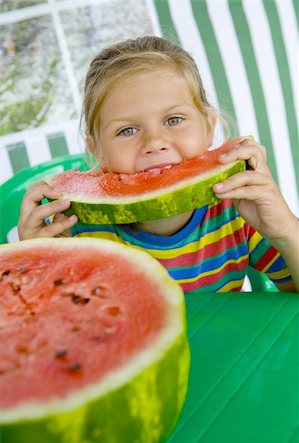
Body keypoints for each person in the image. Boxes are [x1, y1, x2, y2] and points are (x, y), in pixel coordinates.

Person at [18, 36, 299, 293]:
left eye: (173, 120)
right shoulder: (77, 230)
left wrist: (284, 230)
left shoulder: (238, 211)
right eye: (127, 130)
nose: (155, 142)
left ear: (209, 126)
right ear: (98, 151)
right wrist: (35, 263)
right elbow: (51, 329)